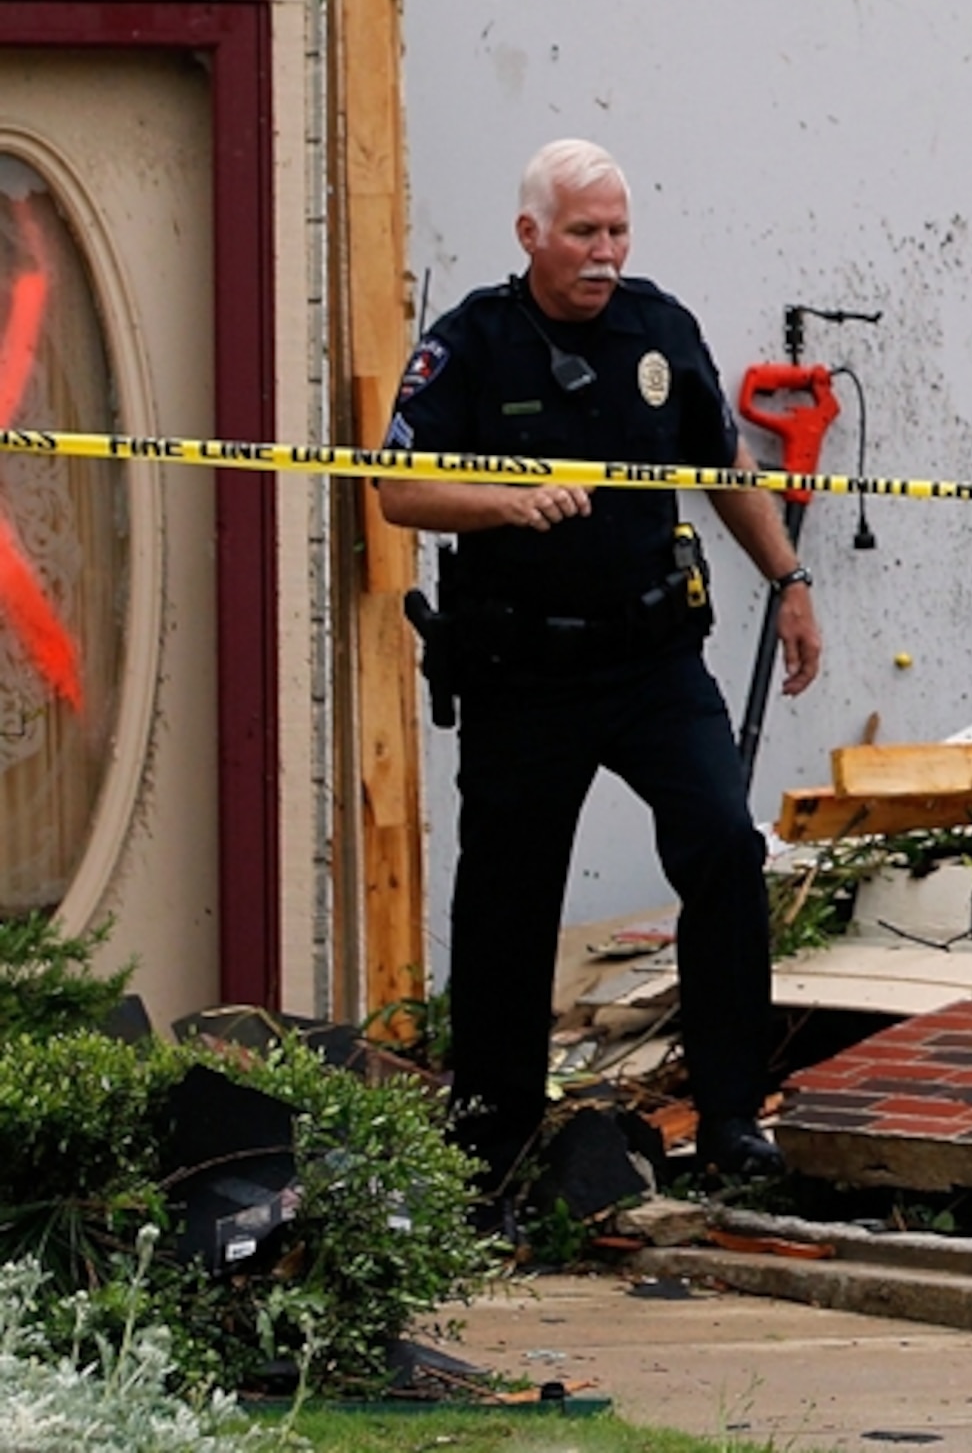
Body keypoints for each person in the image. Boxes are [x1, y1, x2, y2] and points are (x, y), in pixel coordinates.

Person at [377, 138, 820, 1194]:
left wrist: (791, 579)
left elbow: (723, 465)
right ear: (531, 233)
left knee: (721, 844)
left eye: (618, 230)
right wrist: (506, 502)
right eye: (584, 231)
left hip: (651, 659)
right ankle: (490, 1141)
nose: (606, 252)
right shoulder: (471, 342)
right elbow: (396, 486)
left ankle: (727, 1119)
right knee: (506, 903)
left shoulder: (660, 330)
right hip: (523, 670)